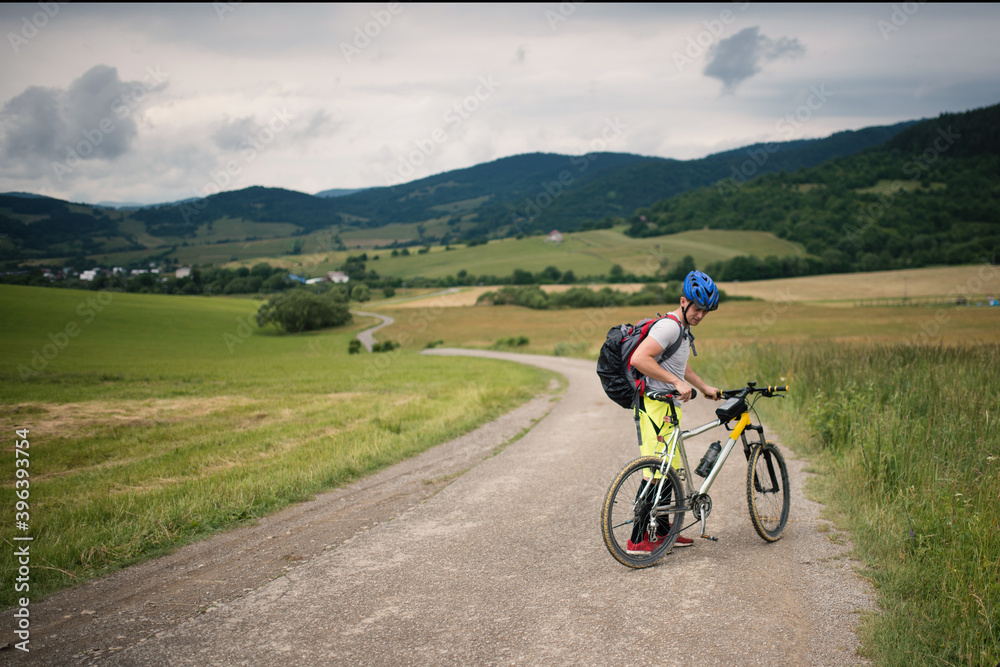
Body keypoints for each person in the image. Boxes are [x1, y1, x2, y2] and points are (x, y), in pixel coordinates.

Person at [625, 270, 722, 554]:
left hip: (669, 407)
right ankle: (637, 538)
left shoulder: (682, 330)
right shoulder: (669, 327)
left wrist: (702, 386)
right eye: (697, 308)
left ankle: (666, 531)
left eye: (706, 311)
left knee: (669, 472)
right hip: (655, 406)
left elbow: (678, 364)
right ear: (683, 301)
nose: (700, 315)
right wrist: (676, 383)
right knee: (654, 473)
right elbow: (640, 358)